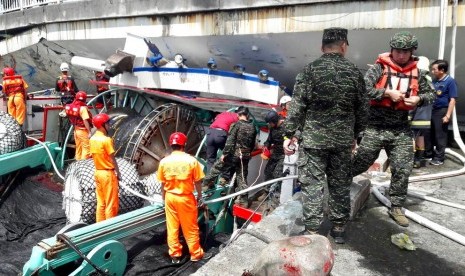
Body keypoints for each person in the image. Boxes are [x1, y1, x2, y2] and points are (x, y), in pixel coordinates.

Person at [283, 27, 369, 244]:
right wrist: (355, 134)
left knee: (312, 184)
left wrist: (289, 134)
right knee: (340, 183)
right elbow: (363, 108)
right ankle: (338, 228)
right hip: (342, 141)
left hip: (313, 141)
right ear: (344, 46)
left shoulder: (309, 70)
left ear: (322, 47)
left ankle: (312, 230)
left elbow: (297, 106)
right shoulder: (354, 72)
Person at [352, 31, 435, 227]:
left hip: (400, 128)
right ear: (392, 50)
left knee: (403, 168)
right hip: (375, 126)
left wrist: (419, 98)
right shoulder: (380, 68)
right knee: (362, 162)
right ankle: (338, 184)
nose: (401, 55)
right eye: (397, 51)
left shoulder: (419, 73)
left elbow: (431, 94)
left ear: (412, 52)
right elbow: (363, 89)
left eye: (405, 52)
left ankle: (396, 205)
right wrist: (386, 93)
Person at [156, 132, 212, 263]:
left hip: (170, 197)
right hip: (185, 198)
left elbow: (163, 183)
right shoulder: (192, 161)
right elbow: (198, 181)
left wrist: (164, 199)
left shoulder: (164, 162)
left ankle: (175, 255)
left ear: (171, 145)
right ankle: (196, 254)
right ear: (184, 145)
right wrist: (199, 197)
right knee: (190, 227)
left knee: (172, 227)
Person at [202, 106, 257, 208]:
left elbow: (230, 142)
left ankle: (206, 184)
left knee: (218, 166)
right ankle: (244, 201)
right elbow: (252, 144)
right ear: (247, 115)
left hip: (234, 155)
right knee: (242, 177)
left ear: (238, 115)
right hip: (244, 156)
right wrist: (248, 153)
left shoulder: (236, 125)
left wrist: (224, 154)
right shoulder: (252, 127)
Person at [424, 59, 458, 166]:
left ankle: (439, 158)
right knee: (428, 133)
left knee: (440, 135)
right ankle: (429, 154)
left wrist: (448, 115)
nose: (432, 71)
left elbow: (453, 100)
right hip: (431, 110)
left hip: (441, 111)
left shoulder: (450, 81)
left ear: (442, 70)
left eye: (434, 69)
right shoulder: (434, 81)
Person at [90, 113, 121, 222]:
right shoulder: (106, 140)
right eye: (107, 123)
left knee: (101, 203)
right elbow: (112, 158)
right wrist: (118, 173)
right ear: (102, 125)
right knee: (111, 204)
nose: (109, 126)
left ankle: (100, 227)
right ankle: (110, 229)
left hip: (98, 173)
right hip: (108, 174)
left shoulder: (92, 139)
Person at [257, 110, 286, 206]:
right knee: (268, 171)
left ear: (274, 121)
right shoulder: (272, 129)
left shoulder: (286, 127)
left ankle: (274, 197)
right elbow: (269, 140)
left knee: (277, 174)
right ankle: (266, 191)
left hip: (284, 156)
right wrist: (266, 145)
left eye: (270, 122)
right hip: (275, 154)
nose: (269, 125)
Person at [410, 56, 433, 168]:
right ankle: (418, 160)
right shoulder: (428, 79)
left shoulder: (419, 78)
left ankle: (412, 160)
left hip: (417, 115)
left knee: (411, 137)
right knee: (420, 137)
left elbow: (414, 98)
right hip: (424, 117)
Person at [205, 110, 239, 182]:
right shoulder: (236, 117)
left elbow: (216, 120)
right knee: (229, 155)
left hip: (210, 133)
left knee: (210, 159)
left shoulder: (223, 113)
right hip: (221, 134)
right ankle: (224, 178)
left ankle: (209, 180)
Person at [65, 91, 93, 160]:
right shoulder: (82, 108)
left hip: (75, 130)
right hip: (83, 131)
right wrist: (89, 132)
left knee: (79, 148)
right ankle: (83, 165)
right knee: (87, 149)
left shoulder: (70, 107)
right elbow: (85, 121)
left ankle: (77, 162)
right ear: (84, 99)